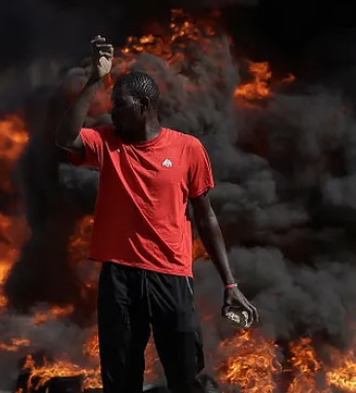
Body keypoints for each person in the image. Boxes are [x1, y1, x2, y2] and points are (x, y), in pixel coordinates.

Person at [55, 36, 259, 393]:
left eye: (121, 106)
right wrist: (94, 81)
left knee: (184, 374)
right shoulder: (107, 142)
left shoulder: (188, 149)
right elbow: (65, 137)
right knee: (121, 379)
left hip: (171, 276)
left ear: (145, 105)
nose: (113, 112)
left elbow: (206, 217)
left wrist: (230, 284)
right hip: (120, 278)